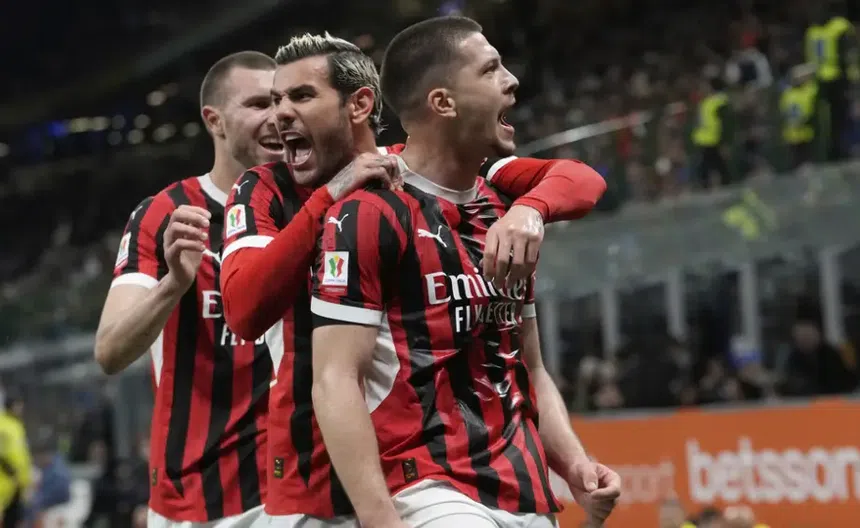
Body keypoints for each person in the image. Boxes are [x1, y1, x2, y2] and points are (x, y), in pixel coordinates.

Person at [219, 33, 607, 526]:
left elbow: (581, 178)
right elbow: (243, 311)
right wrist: (329, 196)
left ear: (360, 104)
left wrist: (529, 209)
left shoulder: (428, 170)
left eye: (300, 96)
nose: (279, 115)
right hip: (316, 486)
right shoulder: (266, 188)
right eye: (275, 100)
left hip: (425, 476)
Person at [93, 51, 284, 528]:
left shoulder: (314, 206)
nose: (277, 117)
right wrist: (173, 285)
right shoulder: (166, 216)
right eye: (258, 104)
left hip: (299, 487)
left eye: (281, 102)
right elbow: (110, 351)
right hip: (200, 501)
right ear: (214, 120)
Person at [805, 1, 858, 161]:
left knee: (842, 115)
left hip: (837, 77)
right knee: (829, 118)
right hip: (824, 79)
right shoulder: (813, 31)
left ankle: (843, 149)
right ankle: (831, 152)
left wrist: (851, 76)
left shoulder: (838, 27)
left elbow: (849, 51)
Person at [691, 76, 733, 188]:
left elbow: (726, 124)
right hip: (704, 140)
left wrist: (725, 142)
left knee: (716, 167)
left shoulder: (720, 102)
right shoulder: (706, 102)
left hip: (714, 140)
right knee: (709, 167)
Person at [0, 392, 32, 528]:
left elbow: (22, 454)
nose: (21, 409)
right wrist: (8, 467)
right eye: (18, 405)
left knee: (13, 520)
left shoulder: (17, 426)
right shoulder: (2, 424)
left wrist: (25, 480)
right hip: (4, 482)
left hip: (17, 484)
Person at [780, 64, 819, 169]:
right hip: (797, 134)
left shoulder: (791, 93)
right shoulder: (793, 93)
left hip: (799, 134)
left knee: (802, 163)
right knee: (799, 164)